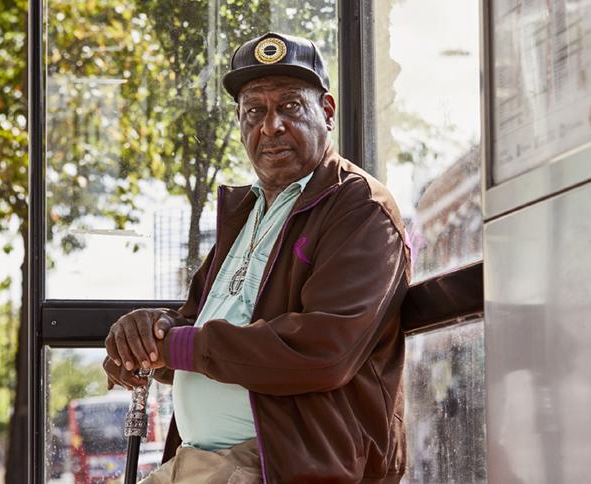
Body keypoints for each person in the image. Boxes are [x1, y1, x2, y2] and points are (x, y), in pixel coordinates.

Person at [103, 32, 410, 483]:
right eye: (255, 111)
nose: (271, 126)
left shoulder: (359, 207)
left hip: (289, 466)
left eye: (290, 107)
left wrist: (178, 345)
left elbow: (323, 350)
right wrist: (143, 341)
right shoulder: (247, 214)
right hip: (208, 462)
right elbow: (189, 334)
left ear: (326, 111)